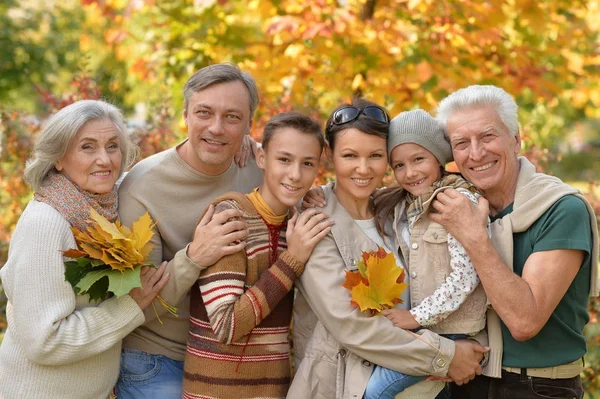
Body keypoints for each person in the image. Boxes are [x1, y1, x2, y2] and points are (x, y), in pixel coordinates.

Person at [287, 99, 488, 399]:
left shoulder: (398, 210)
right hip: (347, 387)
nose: (364, 168)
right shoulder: (315, 223)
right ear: (329, 156)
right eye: (350, 155)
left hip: (427, 387)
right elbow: (352, 326)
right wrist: (447, 355)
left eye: (376, 156)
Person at [429, 85, 599, 398]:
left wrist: (474, 236)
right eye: (461, 143)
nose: (476, 153)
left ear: (516, 138)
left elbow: (525, 321)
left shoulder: (560, 208)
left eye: (488, 136)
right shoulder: (456, 204)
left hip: (538, 387)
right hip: (464, 380)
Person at [0, 100, 169, 399]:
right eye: (87, 147)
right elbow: (44, 342)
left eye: (113, 146)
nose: (104, 159)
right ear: (59, 159)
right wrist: (130, 306)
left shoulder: (101, 210)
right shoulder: (48, 223)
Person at [116, 63, 264, 398]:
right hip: (160, 356)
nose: (216, 128)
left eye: (232, 117)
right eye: (204, 112)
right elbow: (137, 307)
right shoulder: (142, 188)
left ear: (249, 125)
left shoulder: (258, 166)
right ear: (185, 115)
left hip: (237, 356)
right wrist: (195, 256)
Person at [181, 112, 333, 398]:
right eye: (284, 160)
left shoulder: (297, 226)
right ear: (262, 158)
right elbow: (226, 326)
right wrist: (292, 261)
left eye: (307, 163)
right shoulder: (230, 217)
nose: (295, 174)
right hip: (214, 391)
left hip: (273, 389)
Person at [360, 109, 488, 399]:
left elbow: (466, 277)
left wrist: (413, 317)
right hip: (426, 332)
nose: (410, 172)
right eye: (399, 165)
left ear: (438, 156)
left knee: (375, 392)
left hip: (451, 331)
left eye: (418, 159)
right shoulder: (404, 204)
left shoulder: (458, 201)